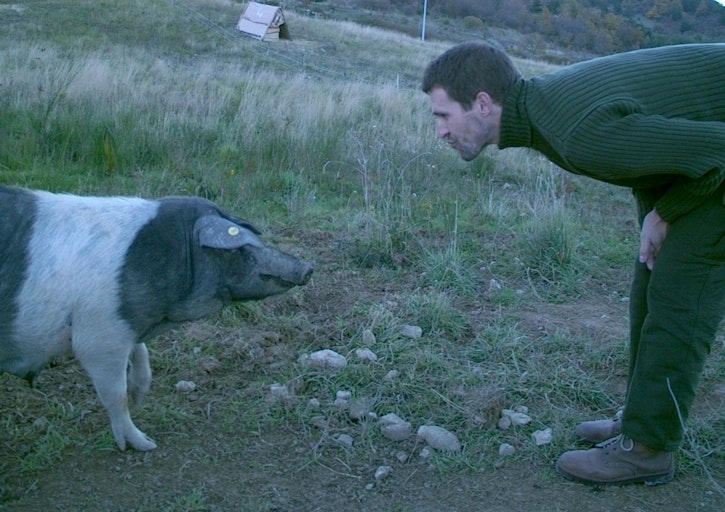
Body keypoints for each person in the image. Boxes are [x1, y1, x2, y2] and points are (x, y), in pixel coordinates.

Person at [422, 41, 725, 486]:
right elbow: (651, 154)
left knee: (680, 296)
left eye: (444, 116)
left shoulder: (576, 132)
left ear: (483, 104)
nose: (441, 132)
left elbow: (717, 150)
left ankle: (647, 449)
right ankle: (640, 422)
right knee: (651, 283)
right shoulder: (548, 113)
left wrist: (667, 212)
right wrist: (657, 213)